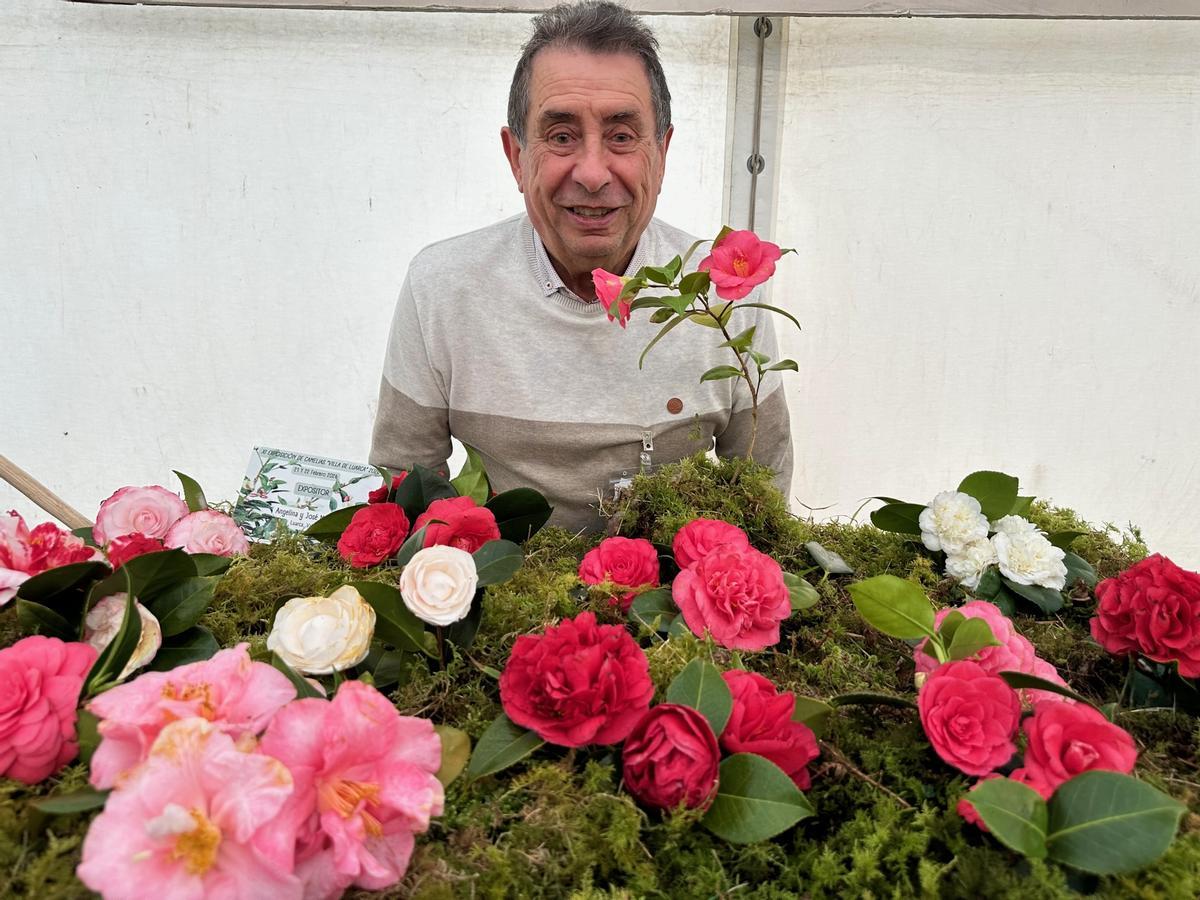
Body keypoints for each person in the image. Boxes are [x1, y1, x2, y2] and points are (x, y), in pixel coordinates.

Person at [370, 0, 792, 532]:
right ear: (516, 157)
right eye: (562, 136)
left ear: (662, 154)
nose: (593, 174)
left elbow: (763, 497)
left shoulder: (722, 295)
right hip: (505, 580)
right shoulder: (443, 287)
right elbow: (404, 488)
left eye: (621, 136)